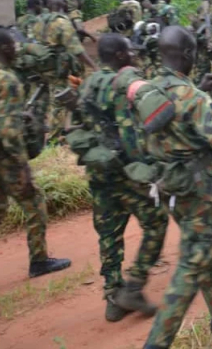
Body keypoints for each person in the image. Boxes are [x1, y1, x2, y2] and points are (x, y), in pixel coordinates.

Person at [142, 26, 212, 349]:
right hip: (199, 188)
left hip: (168, 184)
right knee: (192, 263)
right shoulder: (194, 98)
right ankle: (157, 342)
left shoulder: (150, 91)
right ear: (189, 54)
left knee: (200, 249)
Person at [74, 34, 169, 322]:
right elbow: (135, 130)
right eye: (129, 50)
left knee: (109, 234)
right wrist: (151, 165)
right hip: (128, 172)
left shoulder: (87, 84)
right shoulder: (126, 84)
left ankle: (113, 296)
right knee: (156, 222)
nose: (134, 54)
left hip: (99, 171)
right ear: (118, 55)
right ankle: (134, 285)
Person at [0, 28, 71, 277]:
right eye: (14, 45)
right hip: (5, 155)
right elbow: (9, 130)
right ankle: (39, 260)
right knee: (34, 202)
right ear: (6, 48)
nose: (18, 48)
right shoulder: (7, 80)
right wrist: (22, 166)